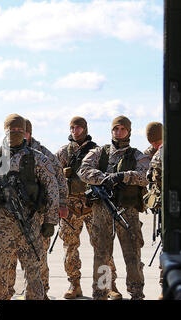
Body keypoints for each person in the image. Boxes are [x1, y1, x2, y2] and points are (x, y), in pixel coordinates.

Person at [0, 114, 59, 300]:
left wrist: (50, 221)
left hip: (31, 223)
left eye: (19, 130)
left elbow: (52, 188)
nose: (15, 133)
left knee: (34, 274)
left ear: (25, 132)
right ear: (5, 130)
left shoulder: (38, 159)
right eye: (12, 129)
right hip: (2, 225)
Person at [77, 115, 150, 300]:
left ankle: (136, 293)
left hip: (127, 210)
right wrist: (103, 178)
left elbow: (146, 175)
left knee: (132, 254)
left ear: (129, 131)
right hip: (102, 208)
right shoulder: (100, 152)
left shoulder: (136, 155)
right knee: (101, 254)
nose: (119, 133)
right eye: (115, 129)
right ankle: (101, 292)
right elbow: (83, 170)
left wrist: (122, 176)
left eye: (122, 129)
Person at [56, 116, 120, 300]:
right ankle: (74, 284)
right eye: (72, 128)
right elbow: (52, 177)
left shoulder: (98, 152)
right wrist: (64, 176)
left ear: (85, 129)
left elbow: (108, 175)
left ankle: (108, 286)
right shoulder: (63, 152)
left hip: (93, 206)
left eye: (78, 128)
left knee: (102, 248)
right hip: (70, 208)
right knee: (70, 247)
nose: (75, 131)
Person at [144, 122, 163, 299]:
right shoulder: (150, 154)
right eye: (153, 143)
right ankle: (165, 288)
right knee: (167, 248)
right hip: (165, 209)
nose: (155, 146)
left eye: (158, 142)